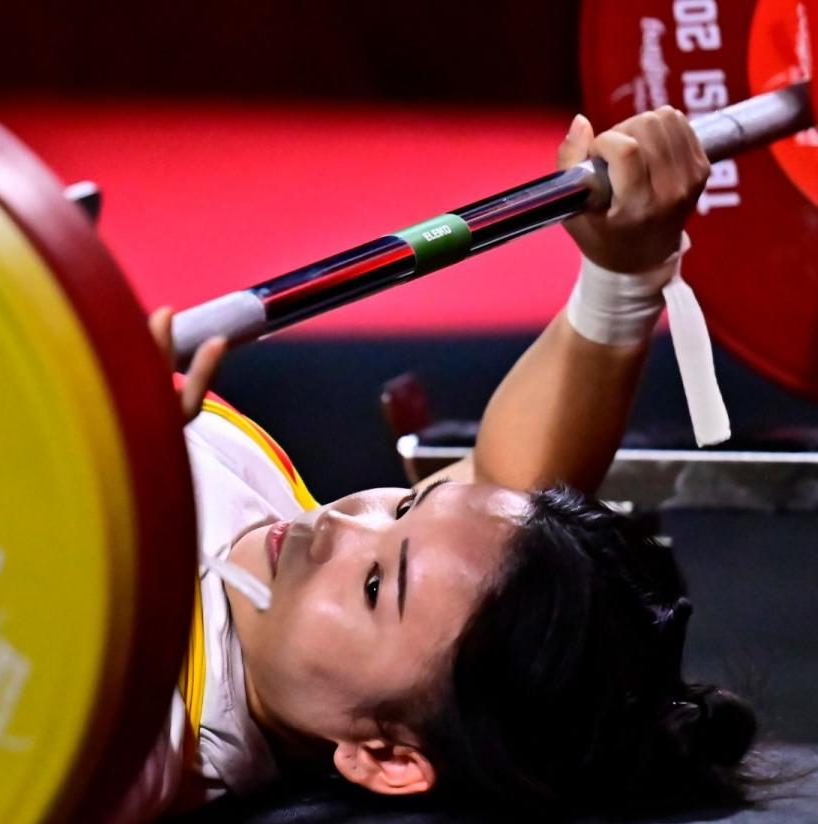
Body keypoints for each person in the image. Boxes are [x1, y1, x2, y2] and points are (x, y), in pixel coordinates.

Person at [120, 105, 757, 821]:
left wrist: (91, 463)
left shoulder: (139, 741)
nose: (336, 525)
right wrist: (624, 276)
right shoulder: (274, 557)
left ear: (386, 756)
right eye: (402, 506)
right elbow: (497, 484)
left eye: (371, 585)